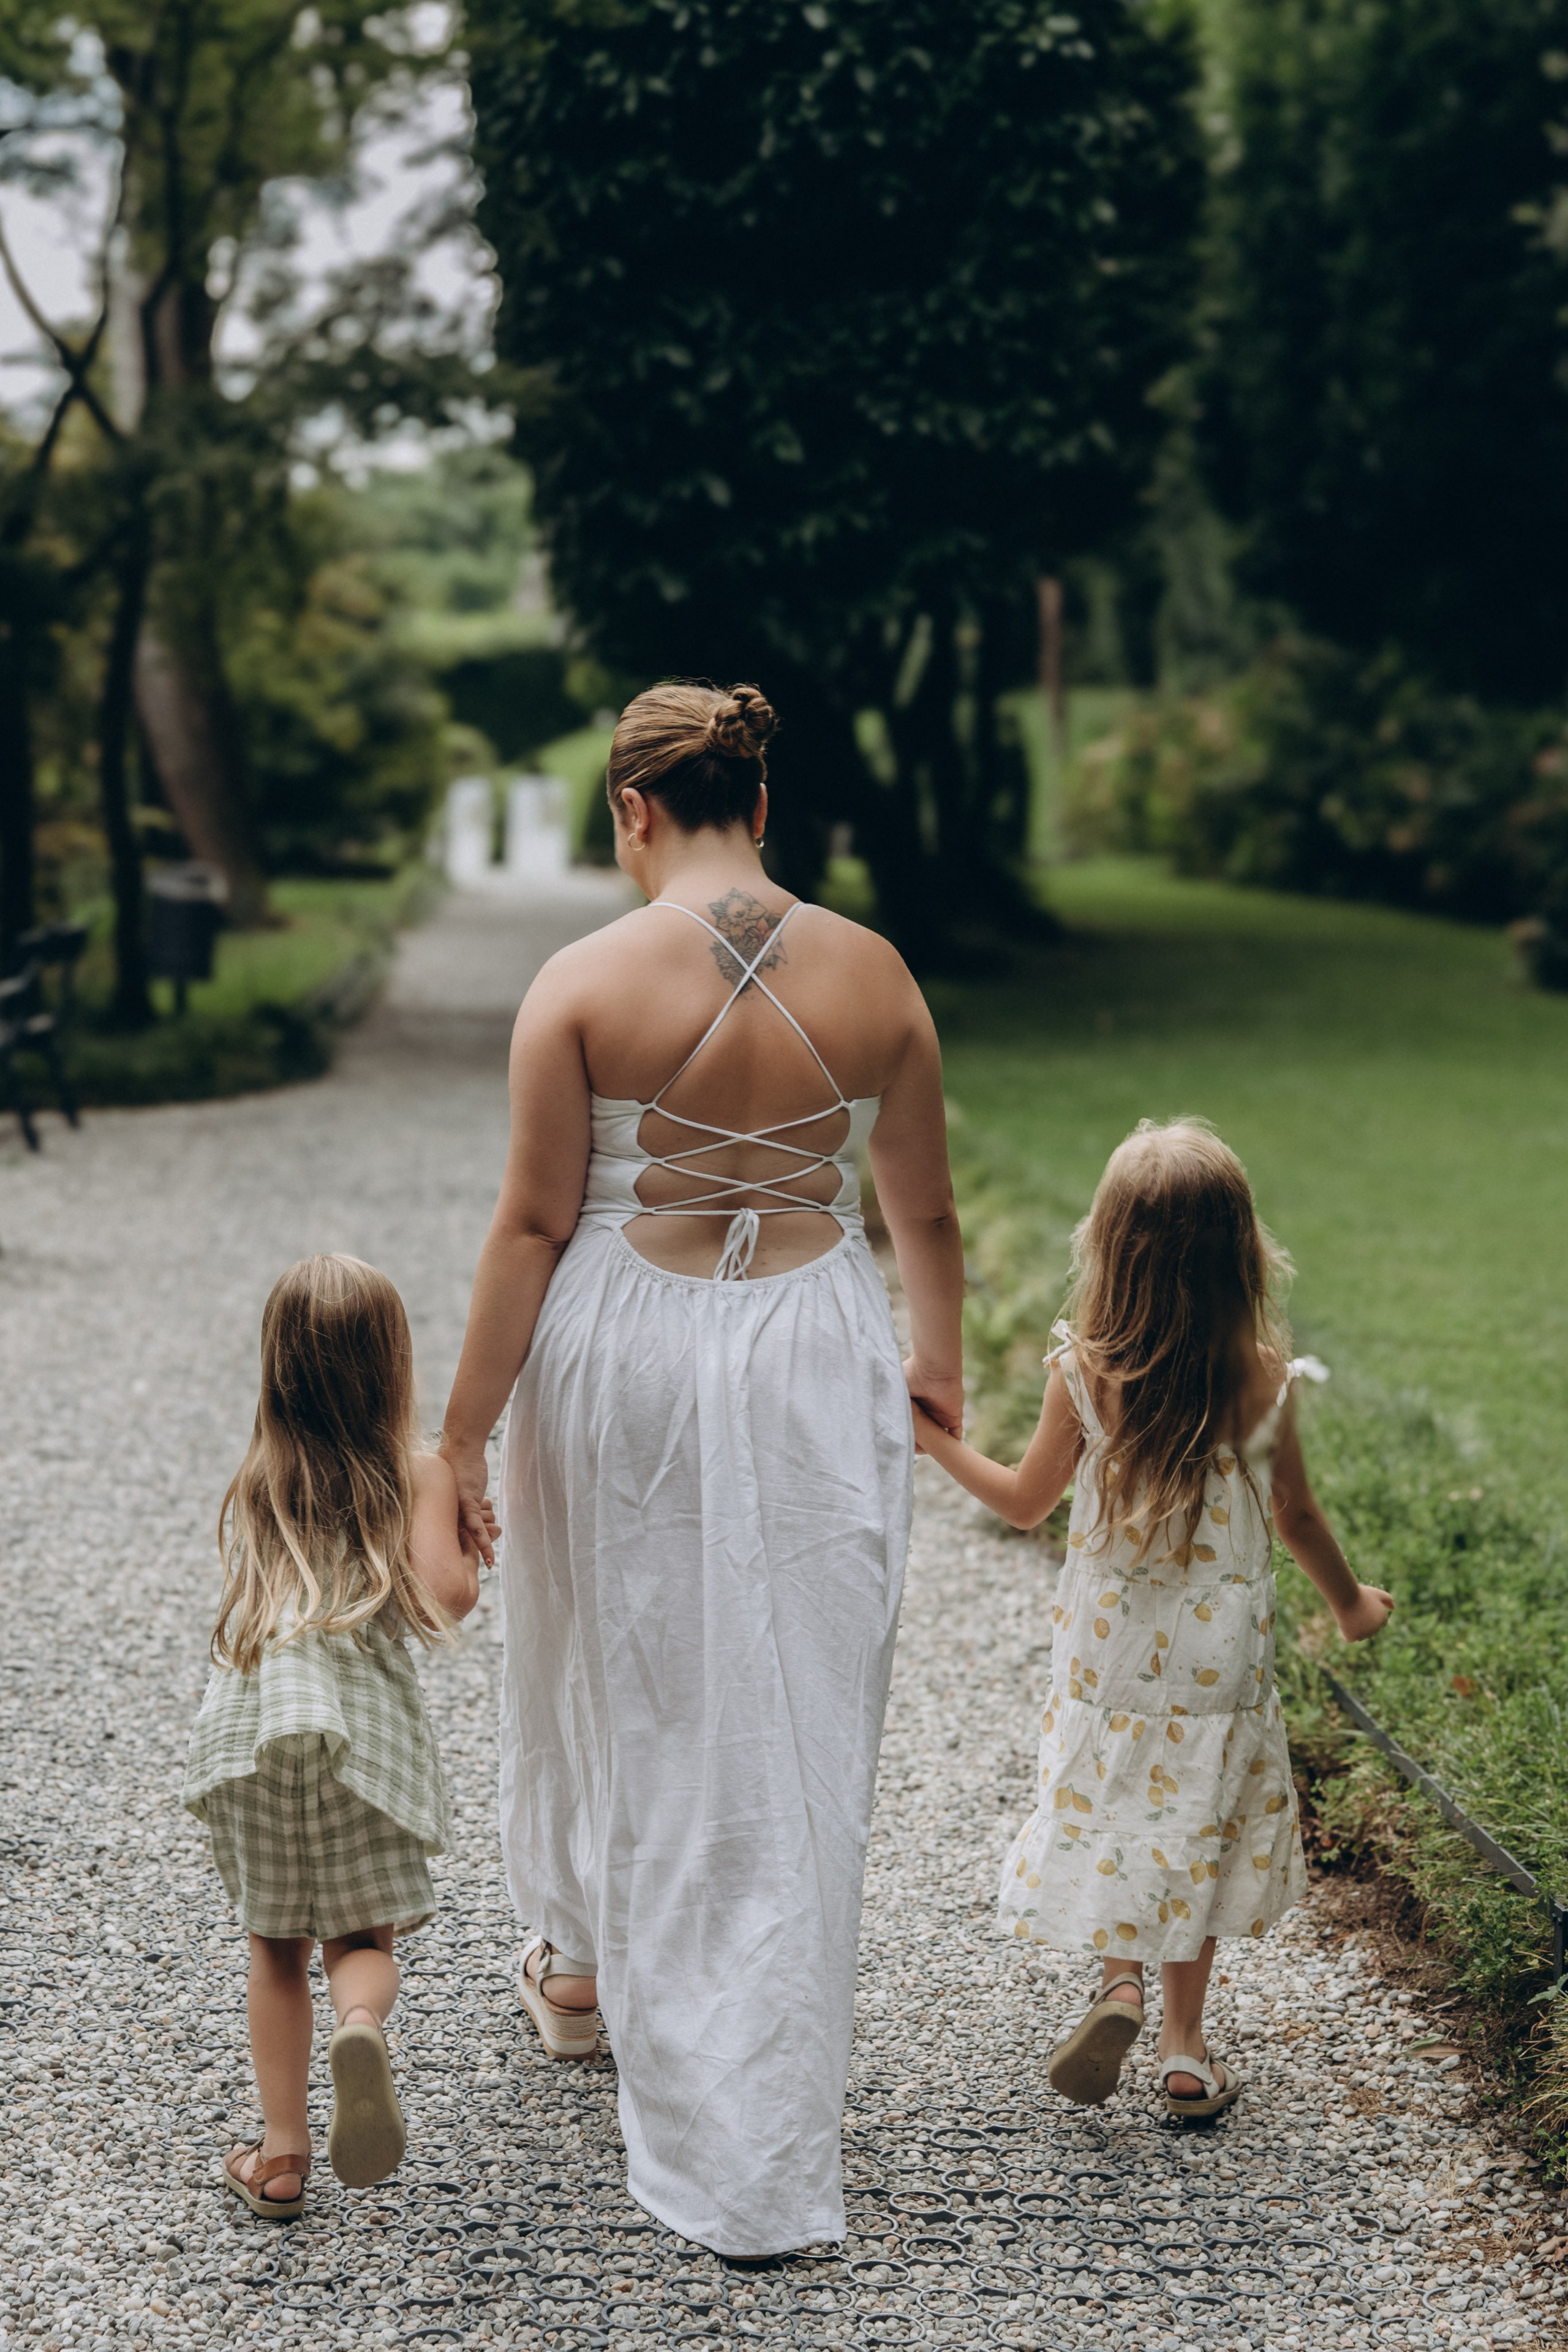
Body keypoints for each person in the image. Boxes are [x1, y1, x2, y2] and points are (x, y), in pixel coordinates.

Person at [440, 680, 963, 2256]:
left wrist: (450, 1436)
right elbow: (920, 1217)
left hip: (625, 1352)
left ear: (632, 812)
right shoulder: (873, 972)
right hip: (811, 1348)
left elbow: (533, 1226)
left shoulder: (585, 979)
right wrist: (930, 1363)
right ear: (760, 801)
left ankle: (651, 2040)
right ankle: (657, 1992)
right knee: (791, 1699)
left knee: (617, 1661)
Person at [911, 1119, 1393, 2121]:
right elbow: (1297, 1514)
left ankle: (1118, 1979)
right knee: (1199, 1817)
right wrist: (1351, 1604)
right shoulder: (1261, 1374)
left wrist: (931, 1441)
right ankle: (1183, 2047)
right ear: (1239, 1251)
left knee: (1112, 1800)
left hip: (1109, 1659)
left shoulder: (1085, 1376)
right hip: (1218, 1670)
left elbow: (1021, 1503)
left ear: (1112, 1249)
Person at [184, 1254, 480, 2218]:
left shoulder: (262, 1475)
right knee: (360, 1933)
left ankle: (280, 2156)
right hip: (361, 1738)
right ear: (392, 1367)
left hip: (259, 1734)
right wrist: (465, 1532)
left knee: (274, 1948)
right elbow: (446, 1599)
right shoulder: (418, 1472)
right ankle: (361, 2023)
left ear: (280, 1370)